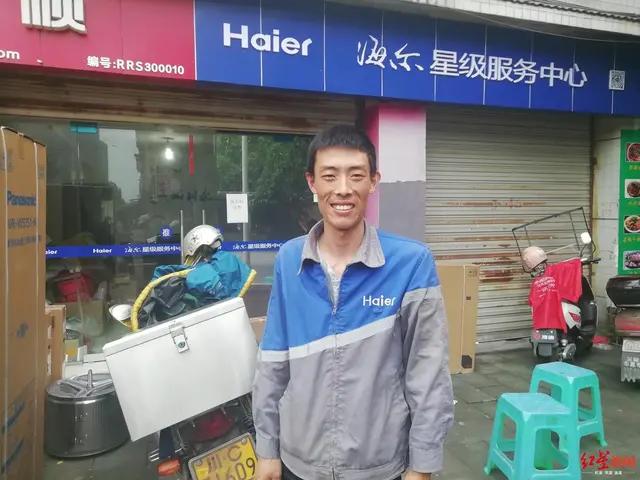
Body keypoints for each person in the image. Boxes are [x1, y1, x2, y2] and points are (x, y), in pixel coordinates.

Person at [252, 125, 454, 480]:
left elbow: (428, 372)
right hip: (298, 462)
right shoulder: (289, 260)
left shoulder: (411, 263)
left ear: (373, 182)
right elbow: (273, 360)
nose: (343, 189)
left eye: (356, 175)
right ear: (312, 183)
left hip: (378, 466)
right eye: (329, 176)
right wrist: (267, 449)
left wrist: (421, 466)